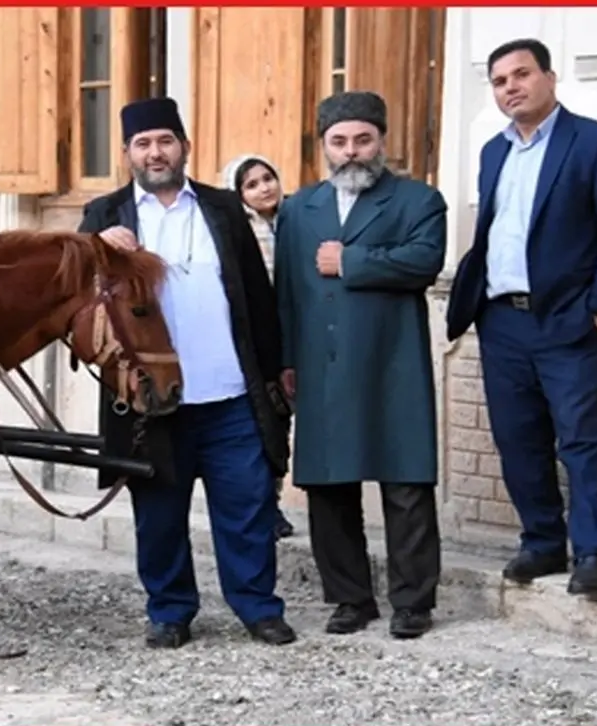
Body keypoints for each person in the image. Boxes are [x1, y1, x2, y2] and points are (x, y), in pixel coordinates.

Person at [79, 97, 297, 649]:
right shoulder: (105, 217)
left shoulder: (223, 208)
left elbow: (256, 294)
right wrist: (96, 252)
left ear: (185, 147)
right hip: (153, 404)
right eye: (143, 144)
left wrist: (277, 369)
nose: (156, 153)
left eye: (165, 141)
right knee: (159, 515)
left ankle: (258, 608)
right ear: (127, 153)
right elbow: (75, 298)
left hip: (230, 394)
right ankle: (170, 611)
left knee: (247, 507)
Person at [446, 39, 597, 598]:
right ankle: (542, 541)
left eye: (521, 74)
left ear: (550, 78)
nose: (511, 86)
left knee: (583, 439)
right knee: (518, 438)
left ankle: (596, 552)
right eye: (499, 80)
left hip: (568, 319)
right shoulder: (492, 151)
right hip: (503, 321)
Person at [275, 90, 447, 640]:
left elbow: (425, 260)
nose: (352, 152)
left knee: (406, 484)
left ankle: (413, 603)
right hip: (320, 366)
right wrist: (285, 359)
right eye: (340, 141)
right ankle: (351, 599)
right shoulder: (299, 208)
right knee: (329, 487)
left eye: (362, 139)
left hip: (393, 362)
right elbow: (287, 293)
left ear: (381, 141)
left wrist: (351, 260)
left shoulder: (418, 200)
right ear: (324, 145)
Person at [220, 153, 295, 540]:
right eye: (251, 184)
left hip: (297, 334)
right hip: (259, 343)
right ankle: (266, 507)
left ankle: (274, 500)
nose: (264, 188)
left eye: (268, 178)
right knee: (265, 424)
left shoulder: (293, 220)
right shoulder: (237, 232)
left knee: (284, 423)